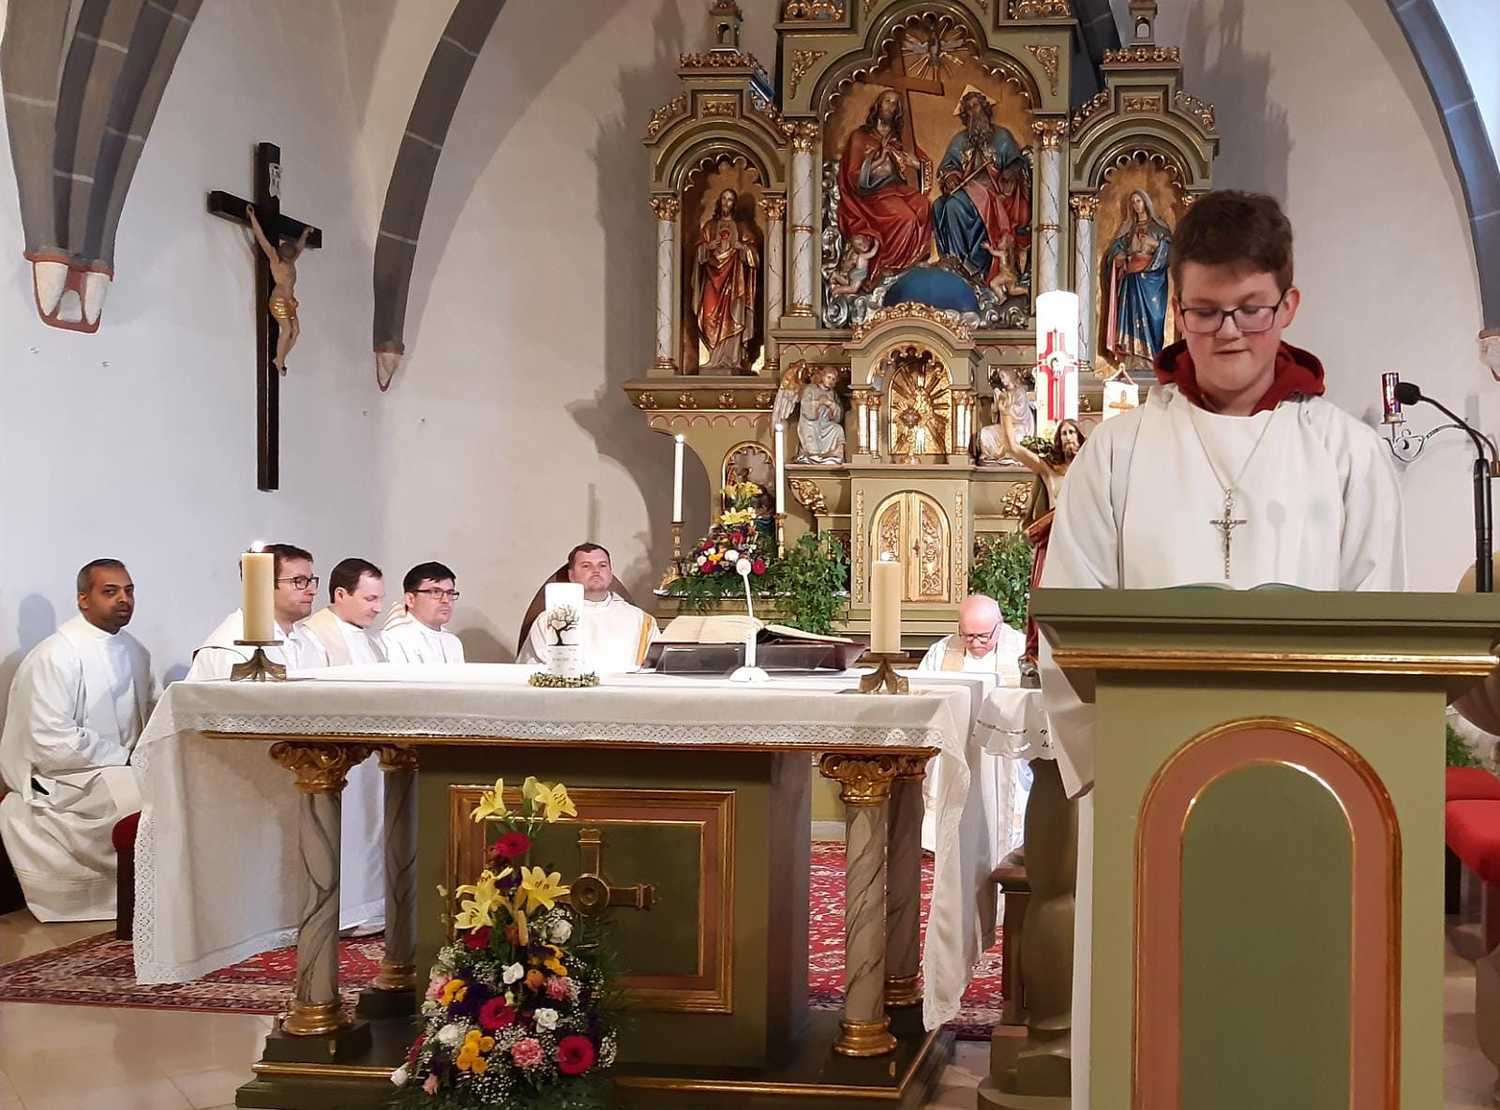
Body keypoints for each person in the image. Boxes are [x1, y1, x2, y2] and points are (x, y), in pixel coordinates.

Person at [1038, 190, 1406, 1103]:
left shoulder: (1348, 455)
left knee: (1288, 1021)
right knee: (1150, 1026)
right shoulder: (1117, 454)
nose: (1229, 333)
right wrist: (1112, 776)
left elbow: (1379, 635)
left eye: (1250, 309)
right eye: (1204, 312)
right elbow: (1069, 630)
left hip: (1307, 801)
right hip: (1147, 800)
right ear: (1175, 306)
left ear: (1289, 303)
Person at [0, 560, 156, 921]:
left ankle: (157, 896)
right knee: (147, 797)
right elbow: (50, 739)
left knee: (173, 788)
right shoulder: (55, 655)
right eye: (110, 591)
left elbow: (152, 713)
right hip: (63, 777)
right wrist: (124, 758)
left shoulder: (135, 650)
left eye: (129, 590)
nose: (124, 599)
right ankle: (132, 897)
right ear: (83, 599)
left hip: (119, 766)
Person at [932, 88, 1031, 286]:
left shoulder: (1002, 136)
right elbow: (947, 167)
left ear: (985, 108)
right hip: (967, 190)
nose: (972, 112)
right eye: (967, 109)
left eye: (975, 106)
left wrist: (1010, 171)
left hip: (994, 192)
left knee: (953, 206)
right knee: (938, 205)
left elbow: (1018, 163)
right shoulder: (960, 140)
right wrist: (951, 177)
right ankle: (953, 257)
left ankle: (963, 264)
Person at [836, 89, 933, 290]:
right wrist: (878, 160)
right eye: (887, 101)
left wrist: (916, 164)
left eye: (895, 103)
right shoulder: (861, 136)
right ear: (878, 106)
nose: (890, 106)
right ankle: (889, 267)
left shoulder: (900, 139)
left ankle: (912, 262)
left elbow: (921, 162)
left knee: (923, 205)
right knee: (906, 218)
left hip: (896, 189)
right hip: (870, 195)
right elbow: (853, 175)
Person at [186, 543, 327, 680]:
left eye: (311, 580)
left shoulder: (311, 644)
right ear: (263, 583)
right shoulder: (230, 650)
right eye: (299, 581)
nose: (312, 591)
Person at [518, 544, 657, 672]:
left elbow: (656, 671)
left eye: (602, 565)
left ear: (610, 574)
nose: (596, 571)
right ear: (571, 575)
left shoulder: (641, 621)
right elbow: (530, 671)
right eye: (586, 566)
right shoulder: (550, 620)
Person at [1103, 189, 1173, 364]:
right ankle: (1131, 359)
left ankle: (1152, 358)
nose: (1136, 205)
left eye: (1139, 201)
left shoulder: (1159, 228)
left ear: (1146, 203)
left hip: (1153, 283)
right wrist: (1118, 255)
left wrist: (1154, 244)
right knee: (1130, 318)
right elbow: (1115, 249)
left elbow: (1172, 253)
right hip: (1132, 281)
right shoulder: (1129, 229)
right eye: (1133, 202)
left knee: (1155, 319)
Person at [693, 188, 758, 371]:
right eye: (724, 199)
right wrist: (707, 247)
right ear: (719, 201)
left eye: (730, 200)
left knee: (733, 314)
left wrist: (742, 248)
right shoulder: (709, 227)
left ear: (734, 204)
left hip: (734, 280)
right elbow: (698, 254)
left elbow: (755, 258)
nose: (726, 203)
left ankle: (732, 359)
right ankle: (714, 357)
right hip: (712, 278)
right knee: (709, 314)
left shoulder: (741, 228)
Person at [247, 206, 310, 373]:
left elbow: (300, 247)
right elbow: (262, 239)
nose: (292, 258)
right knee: (287, 329)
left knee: (296, 332)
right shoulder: (276, 260)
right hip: (279, 301)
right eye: (289, 257)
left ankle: (279, 358)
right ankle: (280, 362)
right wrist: (252, 218)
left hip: (290, 301)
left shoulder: (290, 260)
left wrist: (304, 234)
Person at [916, 593, 1026, 683]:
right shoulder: (941, 651)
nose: (975, 643)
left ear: (999, 626)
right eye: (968, 636)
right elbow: (922, 689)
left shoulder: (1023, 649)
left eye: (983, 636)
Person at [303, 558, 387, 665]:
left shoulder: (373, 641)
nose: (378, 609)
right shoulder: (312, 638)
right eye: (370, 599)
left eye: (380, 599)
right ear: (340, 595)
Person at [381, 562, 466, 664]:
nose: (446, 600)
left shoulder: (453, 641)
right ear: (410, 599)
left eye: (450, 593)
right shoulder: (393, 638)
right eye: (435, 592)